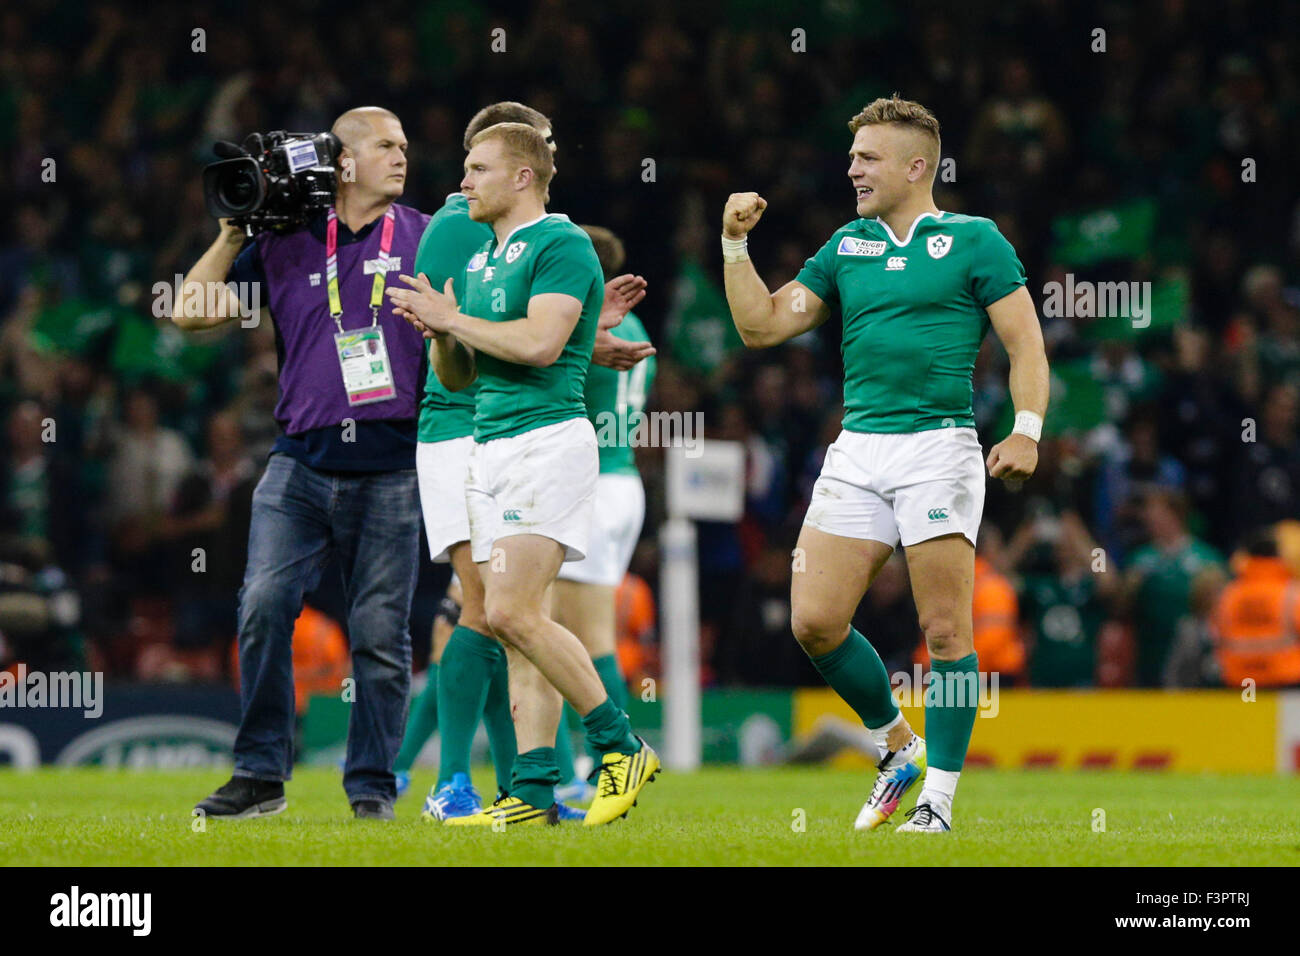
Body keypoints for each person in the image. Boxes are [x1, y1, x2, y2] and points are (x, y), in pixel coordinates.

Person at [721, 96, 1049, 832]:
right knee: (814, 621)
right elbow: (760, 325)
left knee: (944, 634)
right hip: (858, 449)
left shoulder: (975, 240)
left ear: (916, 166)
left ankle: (938, 800)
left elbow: (1026, 344)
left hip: (939, 446)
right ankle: (898, 747)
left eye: (868, 157)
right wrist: (734, 245)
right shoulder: (846, 246)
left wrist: (1026, 430)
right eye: (852, 156)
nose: (853, 169)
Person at [389, 122, 658, 826]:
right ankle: (535, 790)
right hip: (488, 445)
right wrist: (442, 330)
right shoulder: (482, 262)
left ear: (522, 178)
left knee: (506, 612)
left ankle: (620, 745)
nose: (463, 182)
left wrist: (456, 319)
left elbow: (541, 346)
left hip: (547, 445)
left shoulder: (563, 246)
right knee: (518, 623)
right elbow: (460, 372)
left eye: (477, 169)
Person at [176, 107, 429, 820]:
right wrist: (234, 230)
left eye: (404, 146)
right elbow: (190, 310)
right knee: (261, 608)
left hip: (394, 466)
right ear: (342, 162)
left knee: (380, 637)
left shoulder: (429, 233)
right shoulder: (285, 243)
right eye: (385, 145)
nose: (401, 156)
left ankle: (372, 787)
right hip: (300, 466)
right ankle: (260, 775)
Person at [551, 224, 656, 797]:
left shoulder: (590, 328)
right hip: (625, 482)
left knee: (581, 638)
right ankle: (592, 765)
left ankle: (609, 763)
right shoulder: (636, 328)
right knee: (578, 632)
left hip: (590, 486)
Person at [1211, 528, 1300, 689]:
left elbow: (1216, 633)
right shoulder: (1292, 592)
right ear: (1279, 556)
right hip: (1286, 677)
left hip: (1241, 679)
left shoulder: (1230, 594)